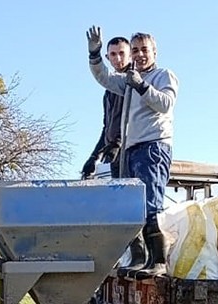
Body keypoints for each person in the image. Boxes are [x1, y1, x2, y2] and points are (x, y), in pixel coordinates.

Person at [86, 26, 179, 276]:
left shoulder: (162, 75)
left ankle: (159, 260)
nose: (139, 55)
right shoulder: (127, 82)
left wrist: (141, 86)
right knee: (131, 208)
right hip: (130, 149)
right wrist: (94, 53)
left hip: (153, 146)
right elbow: (104, 78)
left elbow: (166, 103)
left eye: (144, 50)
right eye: (135, 50)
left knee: (150, 204)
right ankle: (142, 260)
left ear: (154, 52)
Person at [81, 36, 131, 179]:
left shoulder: (133, 83)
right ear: (107, 57)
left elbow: (131, 121)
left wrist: (119, 144)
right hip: (111, 155)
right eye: (113, 54)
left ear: (130, 55)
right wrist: (94, 156)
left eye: (122, 53)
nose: (118, 58)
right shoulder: (108, 91)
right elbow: (107, 128)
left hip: (129, 152)